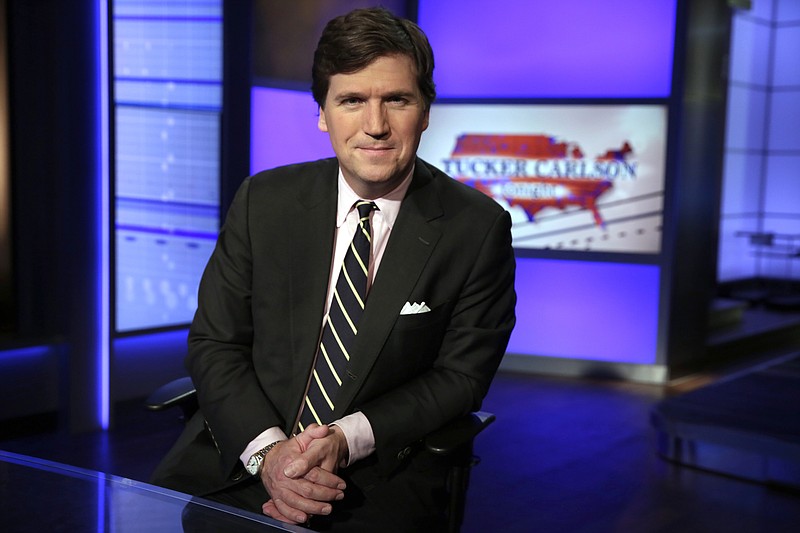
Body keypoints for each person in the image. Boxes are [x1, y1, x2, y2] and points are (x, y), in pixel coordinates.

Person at [151, 6, 516, 532]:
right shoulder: (264, 201)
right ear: (323, 112)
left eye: (397, 100)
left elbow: (460, 376)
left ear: (426, 110)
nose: (375, 126)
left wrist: (344, 441)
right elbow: (216, 342)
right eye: (351, 101)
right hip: (241, 458)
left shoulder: (476, 227)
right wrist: (271, 455)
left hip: (375, 475)